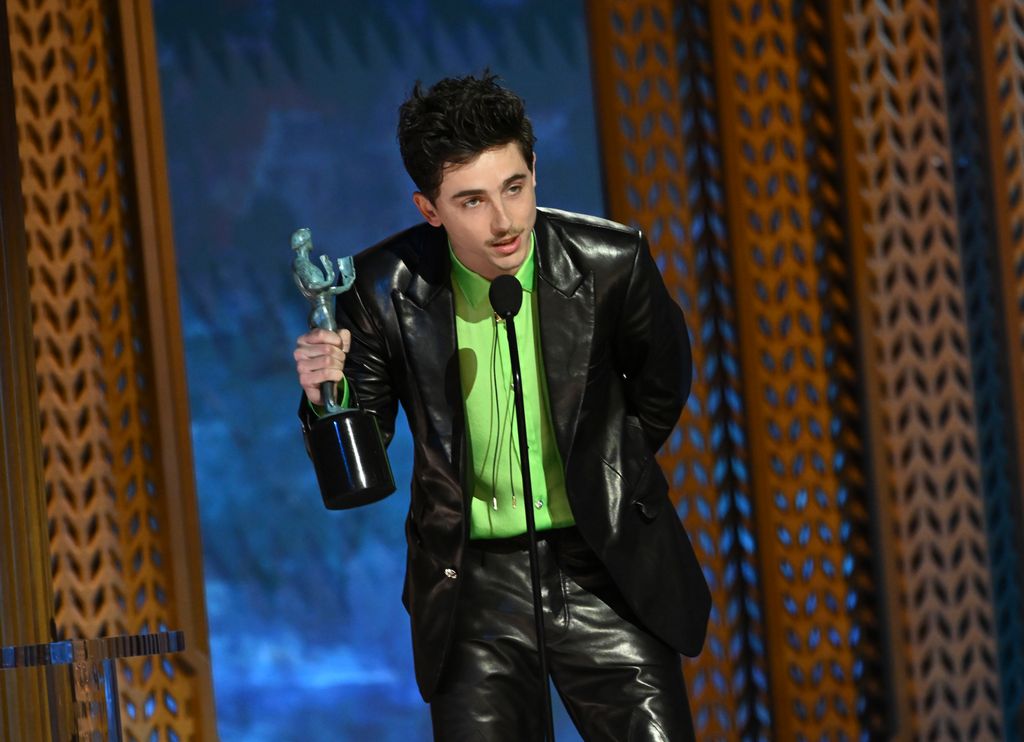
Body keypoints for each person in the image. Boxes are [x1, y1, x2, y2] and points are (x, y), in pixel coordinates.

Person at [293, 73, 711, 741]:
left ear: (534, 170)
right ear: (430, 209)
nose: (504, 221)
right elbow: (359, 479)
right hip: (473, 590)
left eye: (515, 188)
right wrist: (327, 401)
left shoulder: (610, 262)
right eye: (472, 201)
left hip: (603, 569)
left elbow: (664, 385)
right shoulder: (381, 291)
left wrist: (605, 466)